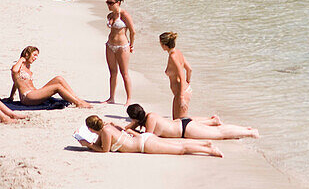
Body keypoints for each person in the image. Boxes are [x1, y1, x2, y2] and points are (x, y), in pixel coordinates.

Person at [78, 115, 222, 157]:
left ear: (90, 129)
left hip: (144, 145)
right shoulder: (106, 128)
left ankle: (208, 149)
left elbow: (105, 150)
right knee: (178, 147)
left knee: (179, 150)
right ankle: (206, 145)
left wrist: (88, 145)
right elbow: (101, 144)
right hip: (143, 140)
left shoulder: (106, 132)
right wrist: (91, 144)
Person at [9, 46, 92, 108]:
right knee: (57, 87)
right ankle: (78, 103)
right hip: (27, 97)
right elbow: (14, 71)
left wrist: (11, 97)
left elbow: (16, 83)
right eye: (34, 55)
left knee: (59, 78)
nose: (35, 58)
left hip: (34, 93)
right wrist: (21, 59)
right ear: (27, 54)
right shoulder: (18, 66)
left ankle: (77, 98)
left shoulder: (27, 67)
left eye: (37, 56)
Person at [124, 103, 258, 140]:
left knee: (219, 133)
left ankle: (249, 132)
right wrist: (132, 126)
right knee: (217, 131)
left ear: (134, 117)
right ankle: (246, 129)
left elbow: (147, 138)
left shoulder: (150, 120)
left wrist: (130, 130)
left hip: (185, 129)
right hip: (183, 125)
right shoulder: (149, 116)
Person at [105, 0, 135, 105]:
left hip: (122, 46)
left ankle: (129, 99)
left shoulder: (124, 15)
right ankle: (111, 97)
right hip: (110, 45)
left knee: (124, 73)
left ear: (118, 2)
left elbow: (133, 31)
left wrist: (131, 45)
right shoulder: (110, 15)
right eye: (107, 2)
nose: (108, 5)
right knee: (112, 72)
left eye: (111, 3)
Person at [160, 32, 192, 118]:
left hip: (180, 94)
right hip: (184, 91)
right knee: (179, 122)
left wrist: (181, 97)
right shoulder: (178, 52)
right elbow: (189, 69)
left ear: (164, 45)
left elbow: (182, 75)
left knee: (180, 123)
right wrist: (187, 83)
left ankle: (212, 121)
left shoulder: (173, 57)